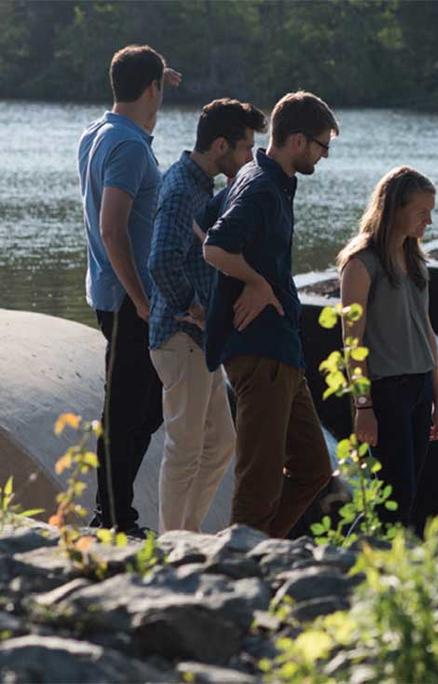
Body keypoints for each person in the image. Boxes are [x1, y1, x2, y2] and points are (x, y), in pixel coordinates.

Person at [201, 91, 338, 537]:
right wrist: (256, 283)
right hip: (259, 350)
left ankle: (262, 549)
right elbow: (215, 245)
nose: (324, 155)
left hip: (282, 350)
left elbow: (203, 218)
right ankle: (237, 565)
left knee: (314, 468)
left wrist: (250, 277)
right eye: (322, 145)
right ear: (297, 140)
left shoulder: (259, 176)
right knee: (259, 479)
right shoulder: (260, 187)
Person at [147, 98, 267, 533]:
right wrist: (193, 306)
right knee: (185, 447)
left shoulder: (199, 186)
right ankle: (171, 544)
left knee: (221, 443)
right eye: (245, 148)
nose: (250, 157)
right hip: (180, 337)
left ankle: (187, 533)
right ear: (220, 145)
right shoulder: (182, 189)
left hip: (200, 340)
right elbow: (160, 260)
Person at [77, 44, 180, 535]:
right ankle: (114, 517)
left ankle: (114, 512)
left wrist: (157, 77)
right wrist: (140, 299)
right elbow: (113, 227)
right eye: (159, 88)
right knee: (124, 411)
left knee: (145, 404)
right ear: (151, 89)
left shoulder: (100, 132)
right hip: (126, 300)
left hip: (116, 293)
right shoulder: (130, 147)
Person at [335, 166, 438, 527]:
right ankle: (357, 557)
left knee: (407, 493)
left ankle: (379, 560)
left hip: (418, 386)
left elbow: (426, 332)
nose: (429, 221)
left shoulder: (415, 260)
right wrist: (363, 405)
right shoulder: (360, 264)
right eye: (422, 212)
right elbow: (351, 341)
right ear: (395, 208)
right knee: (393, 494)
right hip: (386, 391)